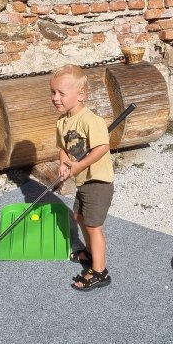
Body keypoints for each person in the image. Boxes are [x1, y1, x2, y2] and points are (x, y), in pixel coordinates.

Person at [50, 65, 115, 291]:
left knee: (93, 225)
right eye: (53, 92)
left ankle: (100, 272)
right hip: (84, 181)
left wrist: (78, 165)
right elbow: (63, 148)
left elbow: (102, 147)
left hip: (98, 181)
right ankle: (89, 253)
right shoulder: (62, 122)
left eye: (61, 93)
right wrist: (64, 163)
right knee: (79, 216)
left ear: (81, 94)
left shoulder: (90, 120)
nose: (55, 98)